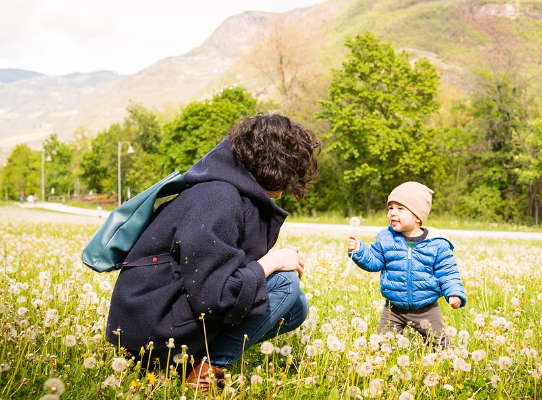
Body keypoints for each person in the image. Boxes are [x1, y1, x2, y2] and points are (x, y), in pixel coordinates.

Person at [106, 113, 320, 392]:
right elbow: (213, 297)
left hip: (160, 312)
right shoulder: (219, 197)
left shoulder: (226, 189)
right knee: (285, 283)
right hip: (152, 327)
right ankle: (205, 373)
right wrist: (272, 262)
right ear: (279, 166)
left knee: (296, 308)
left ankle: (193, 359)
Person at [347, 182, 466, 347]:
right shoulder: (386, 238)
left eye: (400, 209)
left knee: (440, 346)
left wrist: (454, 293)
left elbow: (448, 272)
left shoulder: (437, 243)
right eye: (390, 208)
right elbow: (374, 261)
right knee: (383, 345)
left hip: (427, 308)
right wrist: (360, 251)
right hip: (393, 308)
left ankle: (446, 367)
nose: (393, 213)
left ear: (417, 216)